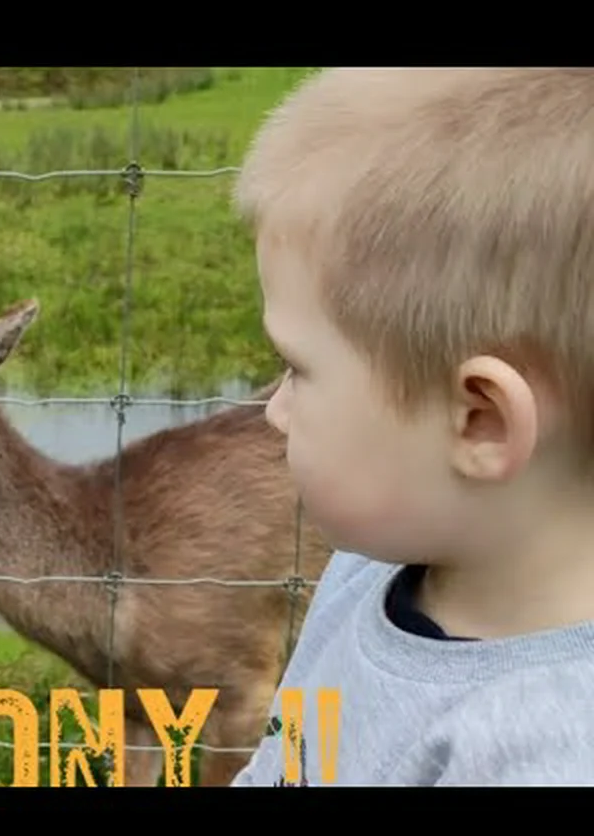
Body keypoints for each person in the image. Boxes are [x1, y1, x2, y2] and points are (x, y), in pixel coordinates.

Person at [227, 68, 594, 786]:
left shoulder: (543, 755)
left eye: (297, 369)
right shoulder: (370, 571)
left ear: (480, 422)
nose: (274, 410)